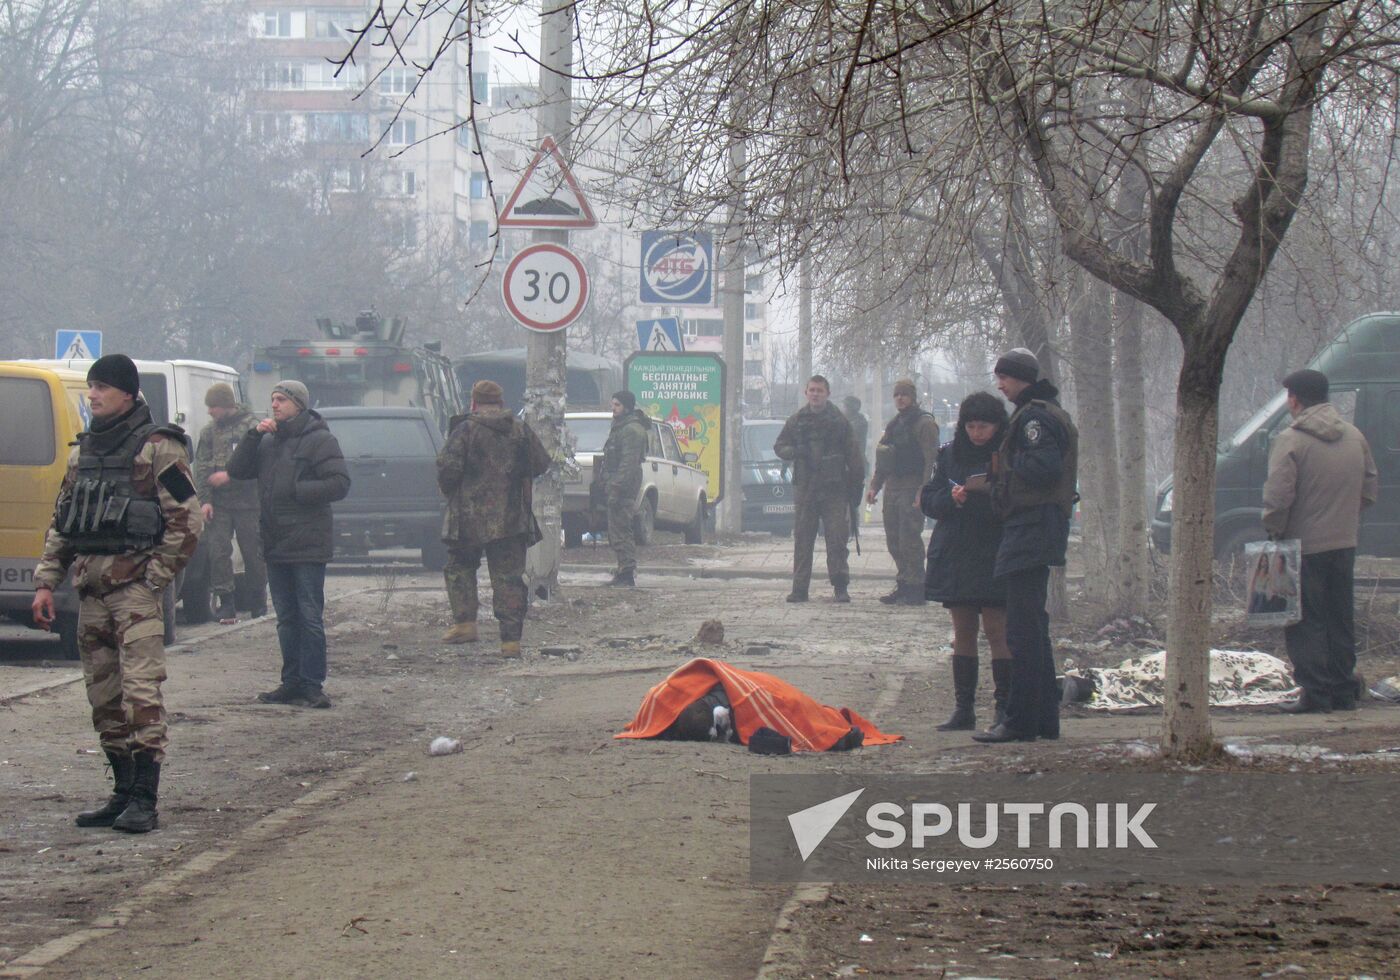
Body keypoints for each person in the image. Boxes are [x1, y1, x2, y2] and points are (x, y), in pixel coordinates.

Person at [31, 354, 203, 833]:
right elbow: (64, 522)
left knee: (141, 694)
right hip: (90, 592)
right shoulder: (82, 452)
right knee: (103, 697)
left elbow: (187, 521)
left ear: (127, 393)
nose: (93, 396)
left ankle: (145, 799)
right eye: (90, 388)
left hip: (134, 592)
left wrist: (153, 581)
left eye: (102, 388)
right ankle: (122, 792)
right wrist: (47, 582)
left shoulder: (159, 448)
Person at [973, 348, 1078, 744]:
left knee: (1021, 630)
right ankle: (1042, 719)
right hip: (1036, 525)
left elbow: (1045, 468)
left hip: (1031, 526)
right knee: (1033, 626)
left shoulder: (1034, 418)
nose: (999, 385)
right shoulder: (1043, 411)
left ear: (1022, 378)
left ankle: (1018, 721)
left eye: (1004, 377)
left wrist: (1004, 473)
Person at [227, 380, 350, 709]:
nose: (275, 405)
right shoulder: (267, 441)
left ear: (298, 404)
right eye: (272, 399)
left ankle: (312, 684)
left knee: (309, 615)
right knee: (285, 617)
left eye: (281, 399)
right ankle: (291, 681)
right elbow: (237, 470)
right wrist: (253, 436)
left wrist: (299, 490)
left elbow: (339, 483)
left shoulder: (319, 439)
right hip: (276, 540)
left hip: (308, 541)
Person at [1262, 368, 1378, 713]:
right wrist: (1344, 517)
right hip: (1344, 543)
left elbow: (1278, 497)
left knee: (1305, 620)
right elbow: (1370, 488)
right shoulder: (1355, 436)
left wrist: (1274, 529)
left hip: (1302, 547)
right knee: (1339, 616)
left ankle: (1315, 693)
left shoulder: (1291, 440)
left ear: (1295, 400)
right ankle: (1344, 691)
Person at [437, 380, 552, 658]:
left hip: (468, 518)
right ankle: (510, 642)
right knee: (509, 578)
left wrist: (453, 489)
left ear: (474, 402)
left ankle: (465, 624)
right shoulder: (519, 429)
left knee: (460, 567)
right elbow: (541, 463)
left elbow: (448, 469)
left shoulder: (465, 429)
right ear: (500, 403)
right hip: (511, 519)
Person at [920, 392, 1011, 730]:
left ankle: (1004, 707)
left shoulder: (1008, 454)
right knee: (963, 632)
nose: (977, 433)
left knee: (998, 630)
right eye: (971, 426)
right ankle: (964, 709)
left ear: (997, 426)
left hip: (994, 551)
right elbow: (929, 498)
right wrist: (951, 498)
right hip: (956, 552)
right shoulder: (949, 455)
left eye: (984, 426)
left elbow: (1018, 498)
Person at [774, 375, 865, 603]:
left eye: (820, 390)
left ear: (828, 393)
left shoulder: (839, 421)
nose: (815, 394)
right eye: (812, 390)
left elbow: (854, 456)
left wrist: (855, 489)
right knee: (803, 539)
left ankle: (840, 586)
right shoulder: (797, 421)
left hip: (834, 490)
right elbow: (780, 445)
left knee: (836, 540)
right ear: (806, 393)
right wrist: (795, 451)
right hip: (806, 489)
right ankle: (800, 589)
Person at [194, 382, 266, 624]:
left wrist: (232, 476)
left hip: (249, 502)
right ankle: (226, 602)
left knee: (252, 553)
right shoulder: (208, 433)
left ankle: (257, 599)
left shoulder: (253, 429)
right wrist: (204, 500)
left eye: (213, 406)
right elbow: (202, 468)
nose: (210, 412)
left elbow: (261, 465)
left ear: (227, 405)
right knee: (218, 551)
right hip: (220, 504)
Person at [868, 379, 940, 604]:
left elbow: (931, 460)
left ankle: (917, 587)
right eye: (897, 394)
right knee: (893, 539)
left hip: (912, 485)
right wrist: (874, 486)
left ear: (913, 396)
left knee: (909, 537)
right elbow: (884, 457)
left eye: (905, 394)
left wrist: (924, 490)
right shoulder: (894, 424)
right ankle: (904, 583)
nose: (900, 398)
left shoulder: (924, 424)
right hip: (893, 485)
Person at [593, 390, 650, 587]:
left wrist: (616, 487)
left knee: (621, 529)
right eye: (613, 404)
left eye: (617, 405)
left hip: (624, 486)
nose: (613, 408)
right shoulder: (621, 427)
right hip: (617, 483)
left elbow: (628, 463)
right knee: (616, 529)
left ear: (626, 406)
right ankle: (623, 569)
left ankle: (626, 573)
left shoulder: (631, 430)